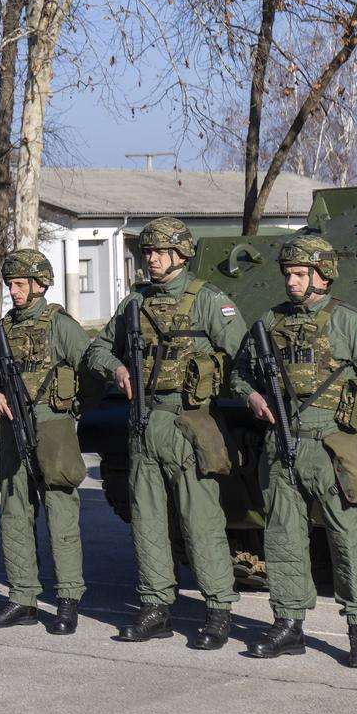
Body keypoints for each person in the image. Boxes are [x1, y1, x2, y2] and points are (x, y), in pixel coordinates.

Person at [235, 236, 357, 669]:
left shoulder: (349, 322)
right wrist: (252, 397)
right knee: (282, 538)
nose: (291, 281)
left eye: (300, 274)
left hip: (330, 446)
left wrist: (346, 421)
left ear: (323, 275)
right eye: (287, 274)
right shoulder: (269, 321)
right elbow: (240, 373)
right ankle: (288, 625)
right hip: (281, 445)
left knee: (347, 540)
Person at [83, 217, 245, 649]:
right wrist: (116, 368)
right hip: (143, 421)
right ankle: (155, 606)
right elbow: (98, 348)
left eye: (159, 252)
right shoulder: (135, 303)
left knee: (201, 521)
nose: (151, 259)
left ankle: (218, 610)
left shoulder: (209, 300)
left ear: (181, 255)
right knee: (148, 521)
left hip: (191, 421)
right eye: (147, 252)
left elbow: (242, 357)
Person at [0, 250, 91, 633]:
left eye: (19, 284)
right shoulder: (3, 331)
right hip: (12, 429)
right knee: (14, 513)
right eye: (10, 284)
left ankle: (67, 600)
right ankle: (22, 598)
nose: (13, 291)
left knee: (60, 514)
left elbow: (92, 363)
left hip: (54, 428)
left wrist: (76, 407)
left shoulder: (60, 326)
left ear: (40, 285)